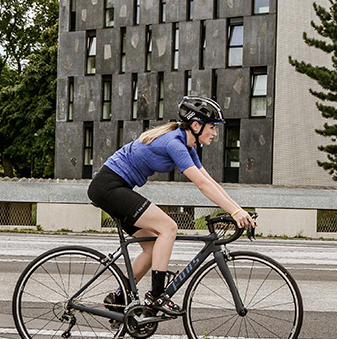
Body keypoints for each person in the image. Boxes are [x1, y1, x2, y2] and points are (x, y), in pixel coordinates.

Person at [86, 96, 256, 317]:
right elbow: (202, 185)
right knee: (169, 227)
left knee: (152, 246)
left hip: (115, 187)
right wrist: (234, 212)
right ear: (196, 125)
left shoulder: (186, 144)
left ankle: (119, 297)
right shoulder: (174, 143)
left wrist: (238, 210)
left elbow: (210, 182)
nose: (215, 133)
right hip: (108, 187)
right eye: (212, 127)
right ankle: (156, 296)